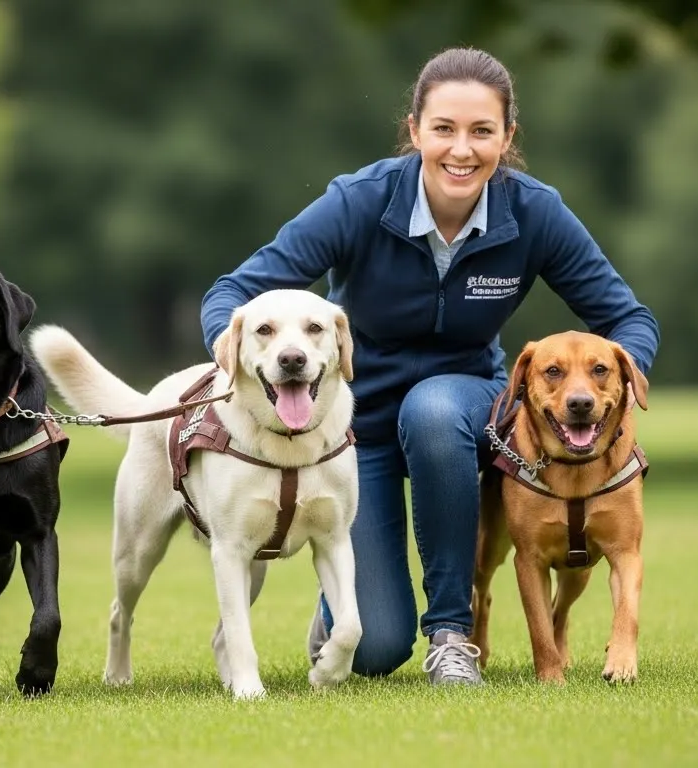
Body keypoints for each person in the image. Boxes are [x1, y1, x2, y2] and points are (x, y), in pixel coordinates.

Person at [198, 46, 659, 687]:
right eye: (443, 129)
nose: (461, 150)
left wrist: (624, 378)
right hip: (357, 433)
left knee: (435, 407)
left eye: (481, 131)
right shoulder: (358, 202)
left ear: (508, 137)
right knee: (378, 650)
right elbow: (231, 294)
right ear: (414, 131)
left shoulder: (534, 212)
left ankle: (451, 634)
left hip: (467, 411)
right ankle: (347, 603)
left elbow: (629, 320)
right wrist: (235, 358)